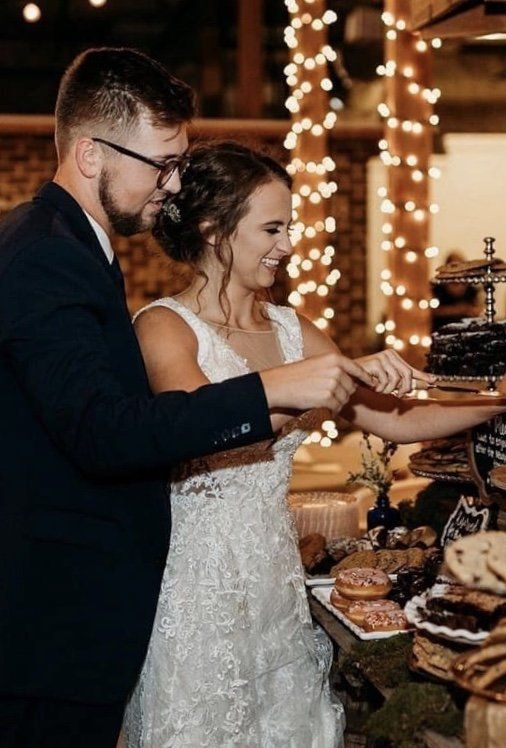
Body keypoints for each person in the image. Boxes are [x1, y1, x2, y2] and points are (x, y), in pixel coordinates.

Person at [123, 141, 506, 746]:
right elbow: (203, 426)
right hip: (196, 589)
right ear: (213, 230)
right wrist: (312, 388)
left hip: (274, 582)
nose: (287, 246)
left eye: (289, 228)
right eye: (272, 228)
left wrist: (504, 396)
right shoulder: (163, 326)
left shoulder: (291, 327)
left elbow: (399, 419)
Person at [0, 48, 377, 748]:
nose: (173, 186)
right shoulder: (46, 253)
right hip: (47, 618)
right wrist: (268, 387)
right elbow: (101, 431)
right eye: (161, 164)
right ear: (90, 154)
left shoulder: (75, 246)